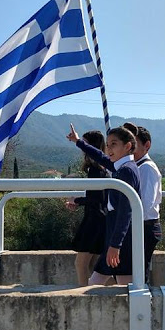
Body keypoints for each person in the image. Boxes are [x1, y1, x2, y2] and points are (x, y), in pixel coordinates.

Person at [67, 123, 141, 286]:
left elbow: (125, 211)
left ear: (128, 146)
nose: (109, 149)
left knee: (125, 288)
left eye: (114, 144)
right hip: (114, 236)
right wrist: (78, 142)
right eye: (107, 145)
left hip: (123, 240)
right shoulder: (121, 167)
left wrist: (116, 244)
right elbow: (101, 157)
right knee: (96, 284)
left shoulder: (127, 170)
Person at [66, 130, 107, 286]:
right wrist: (79, 202)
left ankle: (84, 297)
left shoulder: (96, 170)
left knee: (81, 264)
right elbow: (98, 198)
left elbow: (95, 199)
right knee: (94, 267)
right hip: (99, 219)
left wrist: (76, 200)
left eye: (84, 144)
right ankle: (116, 288)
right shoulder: (101, 168)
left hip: (93, 221)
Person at [123, 122, 162, 279]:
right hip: (139, 225)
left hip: (144, 226)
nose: (131, 148)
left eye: (135, 144)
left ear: (147, 145)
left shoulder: (146, 168)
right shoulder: (136, 166)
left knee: (137, 270)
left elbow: (145, 204)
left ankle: (142, 302)